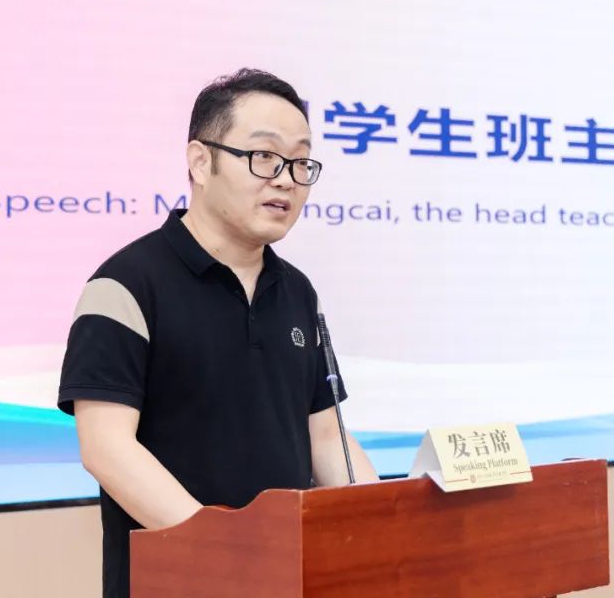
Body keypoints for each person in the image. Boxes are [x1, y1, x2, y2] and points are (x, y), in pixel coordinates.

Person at [57, 68, 379, 598]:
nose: (286, 180)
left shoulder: (298, 292)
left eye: (300, 162)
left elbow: (325, 437)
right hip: (178, 582)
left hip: (286, 578)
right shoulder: (126, 285)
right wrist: (225, 555)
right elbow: (106, 447)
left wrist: (384, 527)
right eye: (264, 157)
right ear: (201, 162)